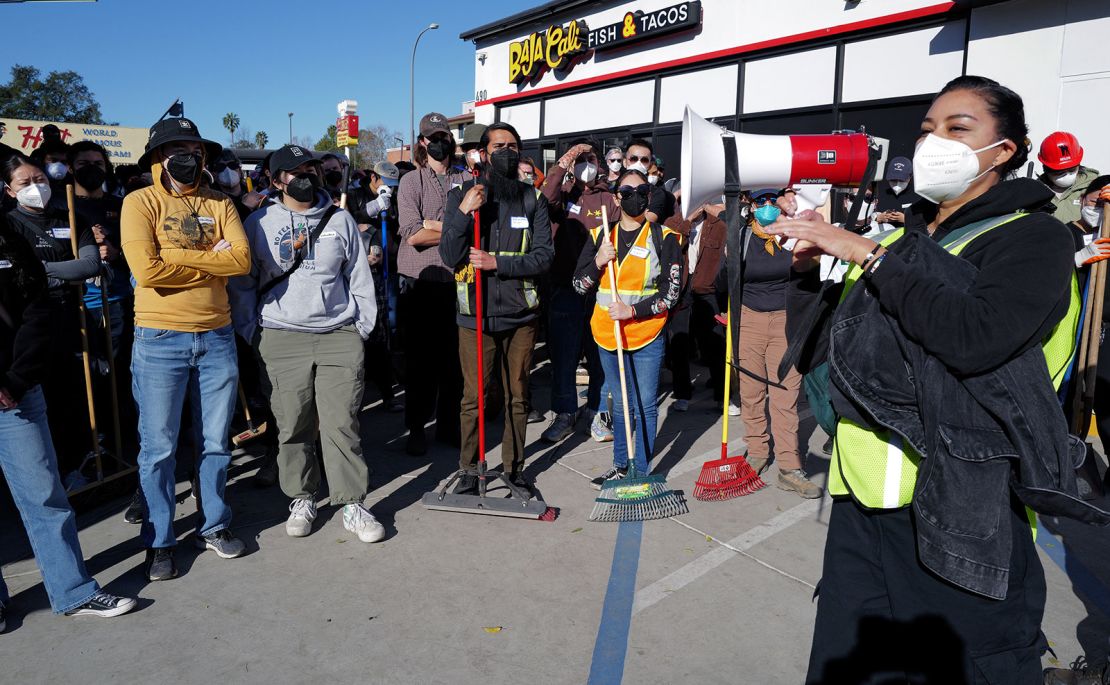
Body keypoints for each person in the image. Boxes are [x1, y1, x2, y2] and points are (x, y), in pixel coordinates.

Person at [769, 75, 1088, 683]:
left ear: (1007, 151)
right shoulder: (905, 235)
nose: (933, 141)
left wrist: (868, 256)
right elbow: (821, 354)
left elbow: (975, 337)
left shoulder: (1034, 237)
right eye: (926, 129)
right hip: (862, 500)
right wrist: (810, 276)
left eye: (958, 128)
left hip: (960, 504)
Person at [229, 144, 384, 543]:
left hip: (337, 336)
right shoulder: (258, 223)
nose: (305, 176)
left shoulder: (340, 219)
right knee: (291, 424)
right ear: (276, 179)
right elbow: (243, 282)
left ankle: (351, 502)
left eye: (311, 169)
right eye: (295, 171)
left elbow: (358, 277)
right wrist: (251, 329)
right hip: (280, 337)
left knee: (342, 423)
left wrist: (361, 327)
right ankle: (302, 496)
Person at [120, 117, 252, 581]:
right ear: (157, 157)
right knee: (158, 447)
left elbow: (241, 260)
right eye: (176, 148)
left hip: (216, 338)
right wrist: (210, 262)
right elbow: (147, 270)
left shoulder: (221, 202)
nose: (187, 156)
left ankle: (213, 524)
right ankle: (159, 541)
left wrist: (175, 255)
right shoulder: (139, 203)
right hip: (159, 339)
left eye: (194, 149)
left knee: (215, 443)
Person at [0, 218, 136, 628]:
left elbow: (37, 309)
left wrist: (15, 379)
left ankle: (74, 591)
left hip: (17, 394)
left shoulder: (9, 238)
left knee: (45, 496)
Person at [439, 122, 553, 495]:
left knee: (517, 395)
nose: (507, 151)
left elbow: (542, 258)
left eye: (513, 146)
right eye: (499, 146)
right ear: (483, 154)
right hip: (475, 315)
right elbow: (449, 256)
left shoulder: (532, 199)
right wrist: (463, 212)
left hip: (520, 315)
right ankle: (470, 469)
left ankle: (514, 469)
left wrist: (497, 263)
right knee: (474, 397)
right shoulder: (463, 194)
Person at [573, 169, 682, 488]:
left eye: (642, 191)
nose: (634, 197)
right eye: (626, 191)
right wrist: (598, 263)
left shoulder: (664, 238)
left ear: (649, 195)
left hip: (646, 334)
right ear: (617, 198)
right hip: (608, 336)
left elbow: (671, 293)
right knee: (621, 404)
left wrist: (634, 310)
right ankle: (621, 465)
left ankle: (641, 469)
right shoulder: (598, 237)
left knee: (646, 404)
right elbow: (579, 286)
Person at [2, 154, 99, 478]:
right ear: (10, 190)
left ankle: (78, 464)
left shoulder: (70, 218)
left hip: (72, 318)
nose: (35, 187)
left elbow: (88, 265)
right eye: (25, 183)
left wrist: (36, 270)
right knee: (41, 400)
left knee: (75, 394)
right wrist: (58, 273)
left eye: (39, 180)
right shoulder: (8, 226)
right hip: (27, 330)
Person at [736, 189, 819, 498]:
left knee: (785, 395)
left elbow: (809, 276)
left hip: (787, 321)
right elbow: (724, 282)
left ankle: (789, 466)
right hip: (749, 319)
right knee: (751, 391)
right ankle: (757, 451)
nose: (768, 207)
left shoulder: (793, 234)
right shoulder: (742, 238)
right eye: (761, 202)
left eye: (773, 200)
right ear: (751, 206)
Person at [396, 112, 469, 455]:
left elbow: (476, 227)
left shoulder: (466, 177)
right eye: (433, 137)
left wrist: (436, 224)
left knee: (454, 360)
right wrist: (456, 224)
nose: (441, 142)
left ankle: (449, 425)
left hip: (458, 279)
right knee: (420, 362)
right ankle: (416, 427)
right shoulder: (412, 181)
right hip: (420, 282)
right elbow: (413, 236)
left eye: (445, 135)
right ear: (423, 142)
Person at [539, 140, 619, 443]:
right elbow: (546, 196)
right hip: (564, 288)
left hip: (599, 290)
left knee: (600, 356)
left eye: (591, 158)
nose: (587, 163)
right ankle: (564, 413)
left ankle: (596, 411)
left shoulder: (608, 199)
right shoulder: (563, 194)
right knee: (563, 356)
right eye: (581, 159)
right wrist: (567, 160)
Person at [350, 161, 403, 412]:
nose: (389, 190)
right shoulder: (354, 195)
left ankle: (388, 392)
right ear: (373, 178)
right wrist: (372, 209)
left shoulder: (394, 197)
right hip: (361, 275)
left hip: (386, 271)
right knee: (361, 338)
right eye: (386, 184)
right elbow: (347, 219)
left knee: (383, 332)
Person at [668, 199, 727, 411]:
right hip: (681, 289)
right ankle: (682, 394)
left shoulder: (718, 225)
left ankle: (722, 395)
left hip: (707, 289)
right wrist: (686, 223)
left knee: (714, 342)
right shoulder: (672, 223)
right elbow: (669, 247)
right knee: (679, 343)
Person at [1037, 131, 1100, 226]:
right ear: (1046, 169)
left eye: (1072, 169)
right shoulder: (1036, 191)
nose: (1067, 175)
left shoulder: (1095, 187)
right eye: (1059, 172)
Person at [874, 156, 918, 229]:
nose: (897, 184)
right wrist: (877, 218)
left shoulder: (918, 195)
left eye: (901, 180)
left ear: (910, 177)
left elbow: (928, 222)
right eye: (893, 180)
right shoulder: (879, 190)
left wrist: (906, 219)